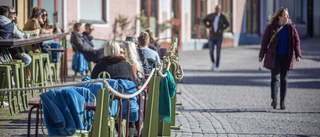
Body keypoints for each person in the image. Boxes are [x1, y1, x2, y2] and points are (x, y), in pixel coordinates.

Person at [259, 7, 301, 110]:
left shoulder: (291, 28)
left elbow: (296, 41)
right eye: (285, 15)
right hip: (275, 56)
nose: (287, 17)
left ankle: (282, 102)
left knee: (284, 79)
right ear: (279, 17)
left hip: (287, 57)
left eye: (288, 15)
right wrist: (261, 55)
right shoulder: (271, 28)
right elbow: (264, 42)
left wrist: (298, 54)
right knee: (275, 78)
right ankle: (274, 100)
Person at [203, 5, 230, 72]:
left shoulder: (222, 17)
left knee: (218, 52)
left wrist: (222, 29)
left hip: (219, 37)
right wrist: (208, 26)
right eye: (216, 9)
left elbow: (227, 24)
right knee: (211, 51)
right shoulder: (211, 16)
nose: (216, 10)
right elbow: (204, 20)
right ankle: (213, 62)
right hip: (212, 36)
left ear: (220, 10)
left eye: (218, 9)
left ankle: (217, 66)